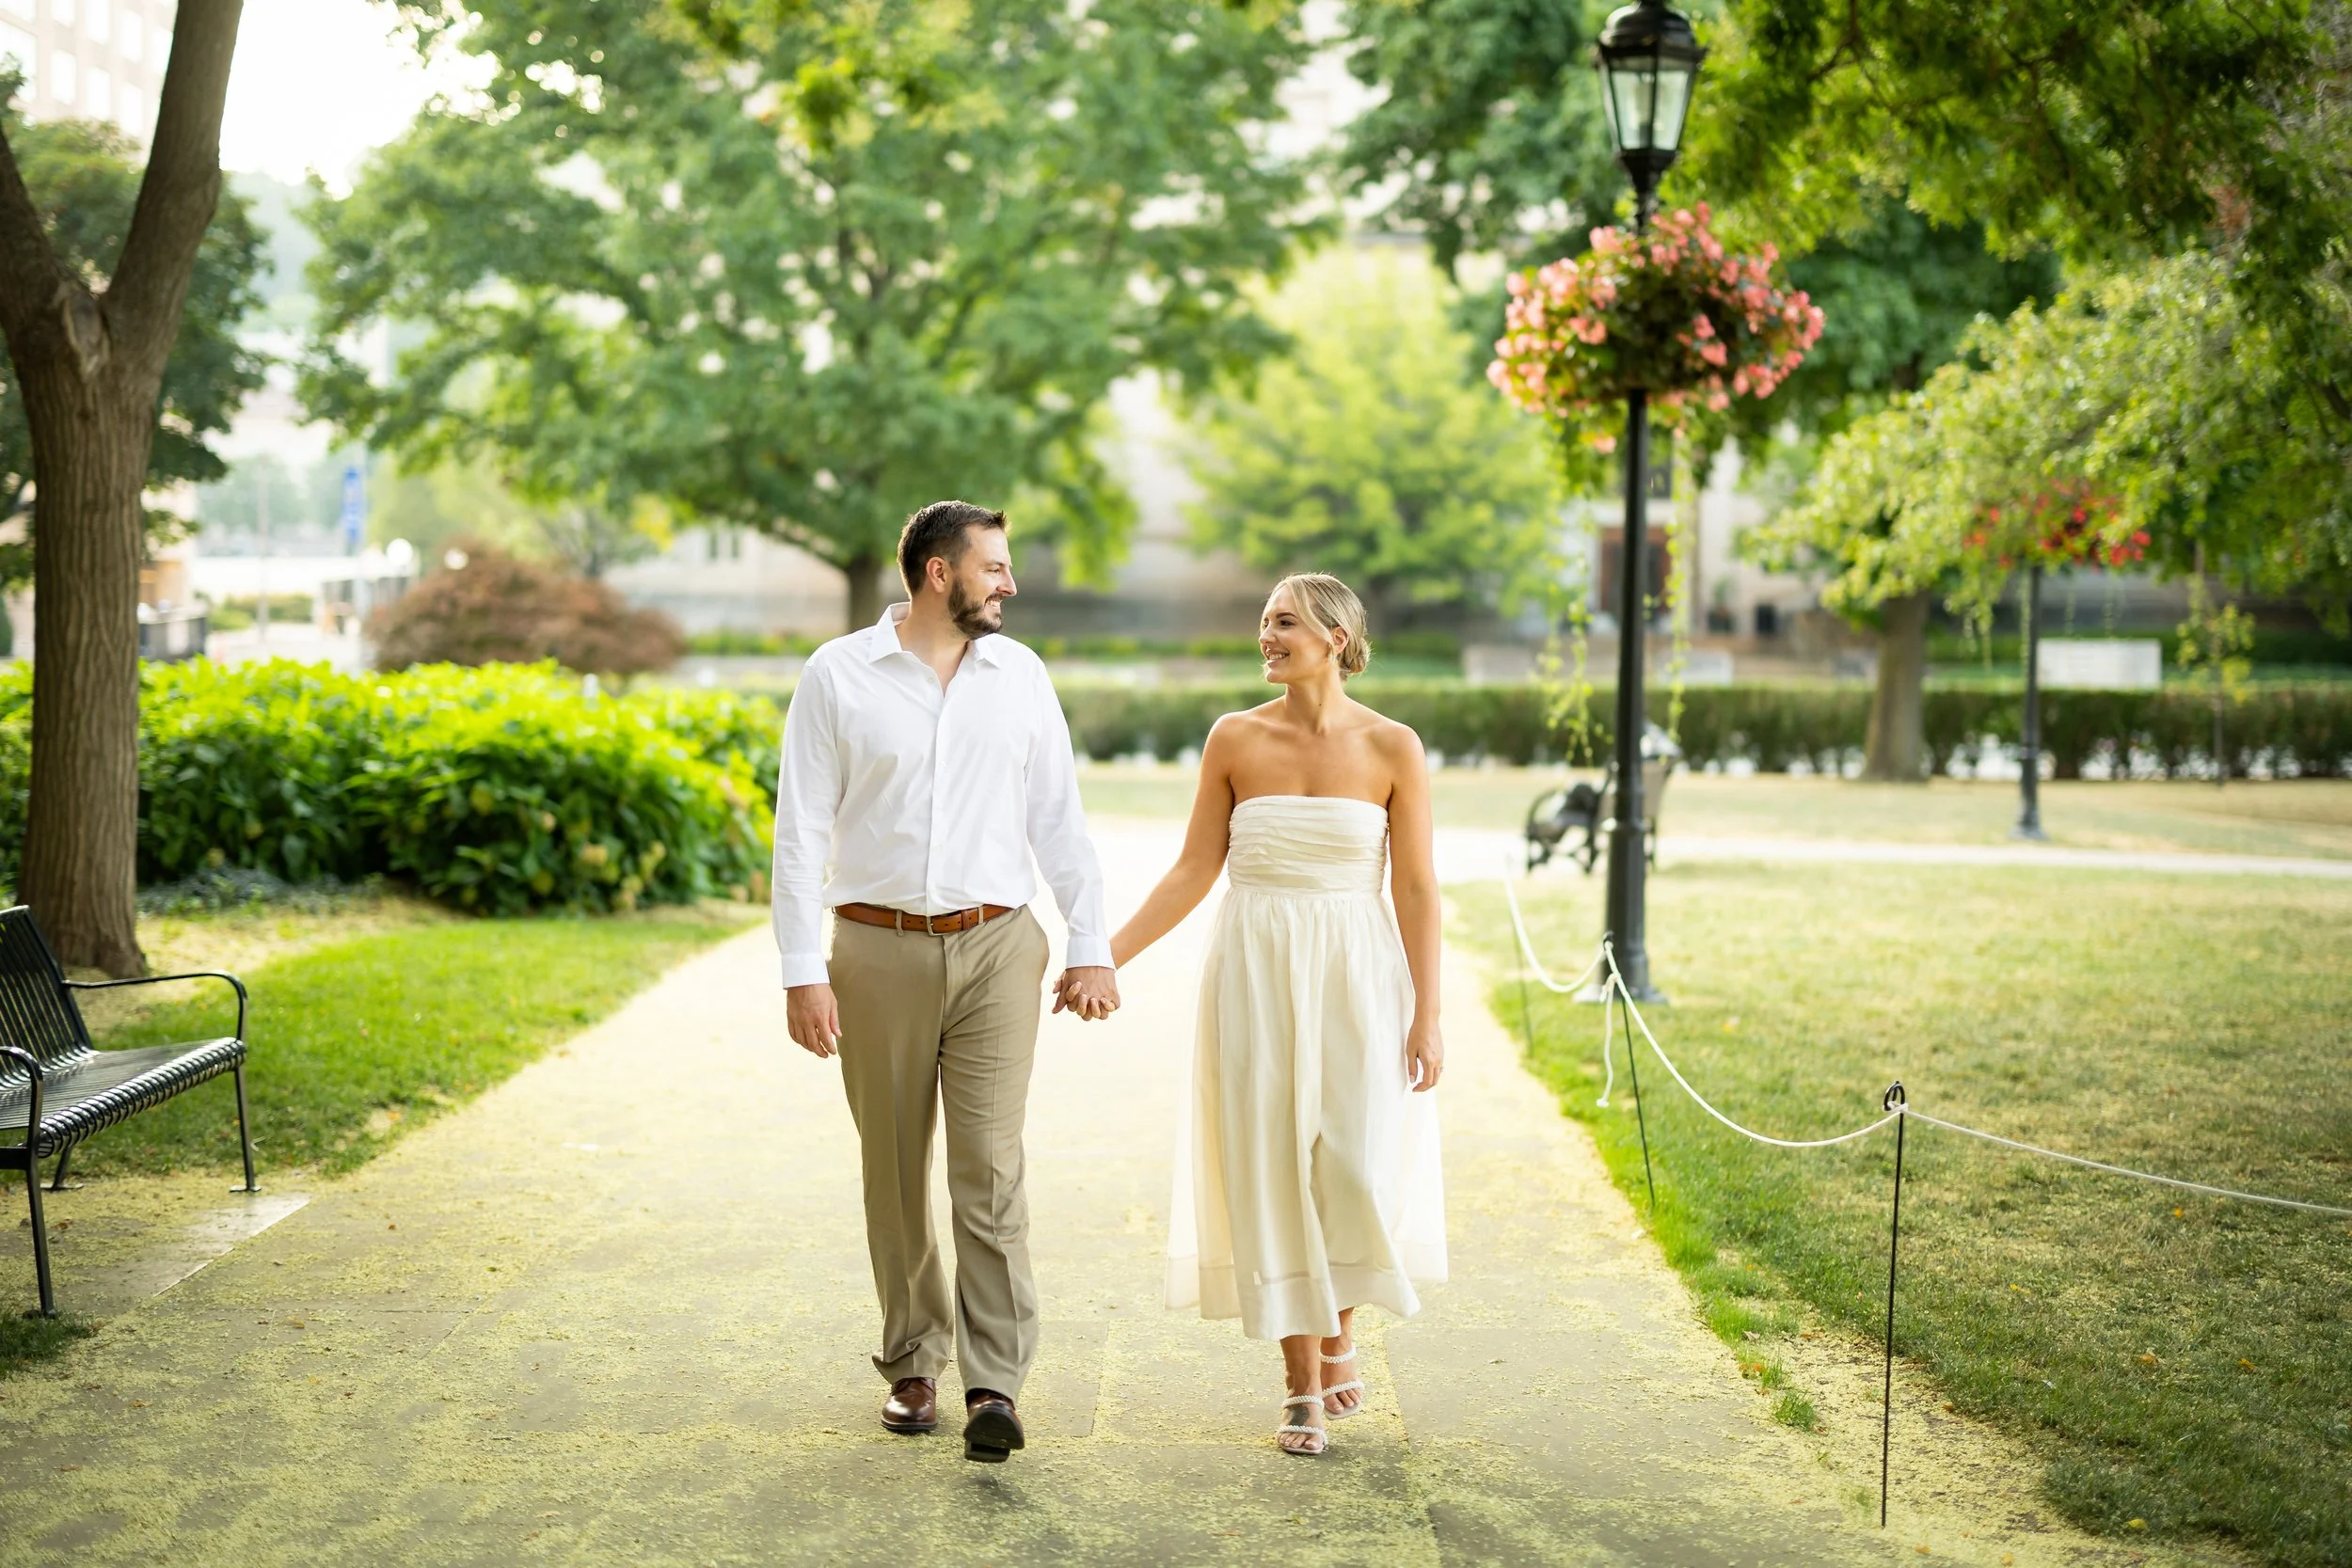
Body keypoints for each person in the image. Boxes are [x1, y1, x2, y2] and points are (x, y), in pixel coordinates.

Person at [772, 499, 1120, 1465]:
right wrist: (804, 969)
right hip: (874, 948)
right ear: (938, 573)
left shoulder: (1021, 677)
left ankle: (994, 1380)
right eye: (994, 566)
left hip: (998, 947)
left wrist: (1089, 940)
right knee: (894, 1167)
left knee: (989, 1164)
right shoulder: (838, 674)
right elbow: (799, 830)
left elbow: (1059, 817)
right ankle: (914, 1359)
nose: (1009, 583)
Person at [1095, 572, 1447, 1457]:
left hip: (1359, 973)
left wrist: (1428, 1013)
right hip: (1253, 966)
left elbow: (1414, 887)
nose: (1266, 636)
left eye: (1283, 622)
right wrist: (1105, 953)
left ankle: (1341, 1330)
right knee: (1272, 1167)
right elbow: (1190, 870)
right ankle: (1301, 1383)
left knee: (1356, 1164)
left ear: (1334, 635)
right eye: (1263, 623)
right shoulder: (1233, 738)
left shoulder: (1394, 746)